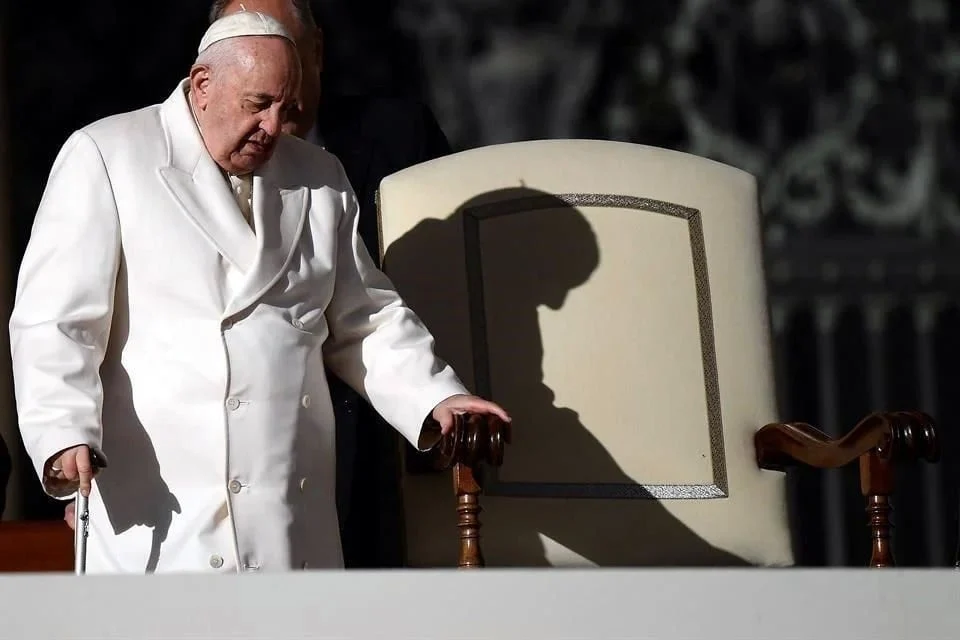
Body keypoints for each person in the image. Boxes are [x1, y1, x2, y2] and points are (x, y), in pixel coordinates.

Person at [9, 11, 509, 574]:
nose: (273, 127)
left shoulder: (320, 176)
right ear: (202, 85)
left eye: (287, 108)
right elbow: (57, 319)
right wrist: (62, 431)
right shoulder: (107, 154)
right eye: (258, 104)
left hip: (287, 515)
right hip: (164, 508)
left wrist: (436, 397)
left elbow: (367, 321)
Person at [207, 0, 454, 568]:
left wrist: (438, 397)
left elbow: (390, 306)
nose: (273, 115)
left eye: (282, 47)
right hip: (226, 463)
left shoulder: (395, 137)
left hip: (374, 443)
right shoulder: (137, 157)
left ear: (314, 51)